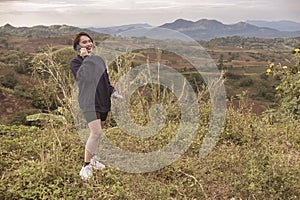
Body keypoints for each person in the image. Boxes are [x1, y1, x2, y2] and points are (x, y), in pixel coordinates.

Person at [70, 32, 122, 180]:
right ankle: (86, 166)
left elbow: (104, 79)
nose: (89, 44)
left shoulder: (98, 60)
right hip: (89, 102)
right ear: (78, 46)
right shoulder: (76, 63)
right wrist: (85, 58)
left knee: (98, 134)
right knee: (96, 133)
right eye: (84, 42)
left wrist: (112, 91)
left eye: (90, 41)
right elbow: (83, 77)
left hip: (103, 101)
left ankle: (93, 159)